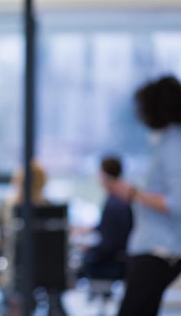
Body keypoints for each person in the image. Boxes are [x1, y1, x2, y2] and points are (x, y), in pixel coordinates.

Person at [107, 75, 181, 316]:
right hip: (157, 247)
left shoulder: (174, 145)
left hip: (159, 250)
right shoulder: (169, 141)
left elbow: (177, 202)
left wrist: (134, 193)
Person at [77, 155, 133, 280]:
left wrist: (88, 249)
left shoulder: (113, 204)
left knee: (77, 265)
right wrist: (90, 230)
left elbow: (108, 246)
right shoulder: (120, 199)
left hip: (111, 263)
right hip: (120, 258)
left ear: (103, 175)